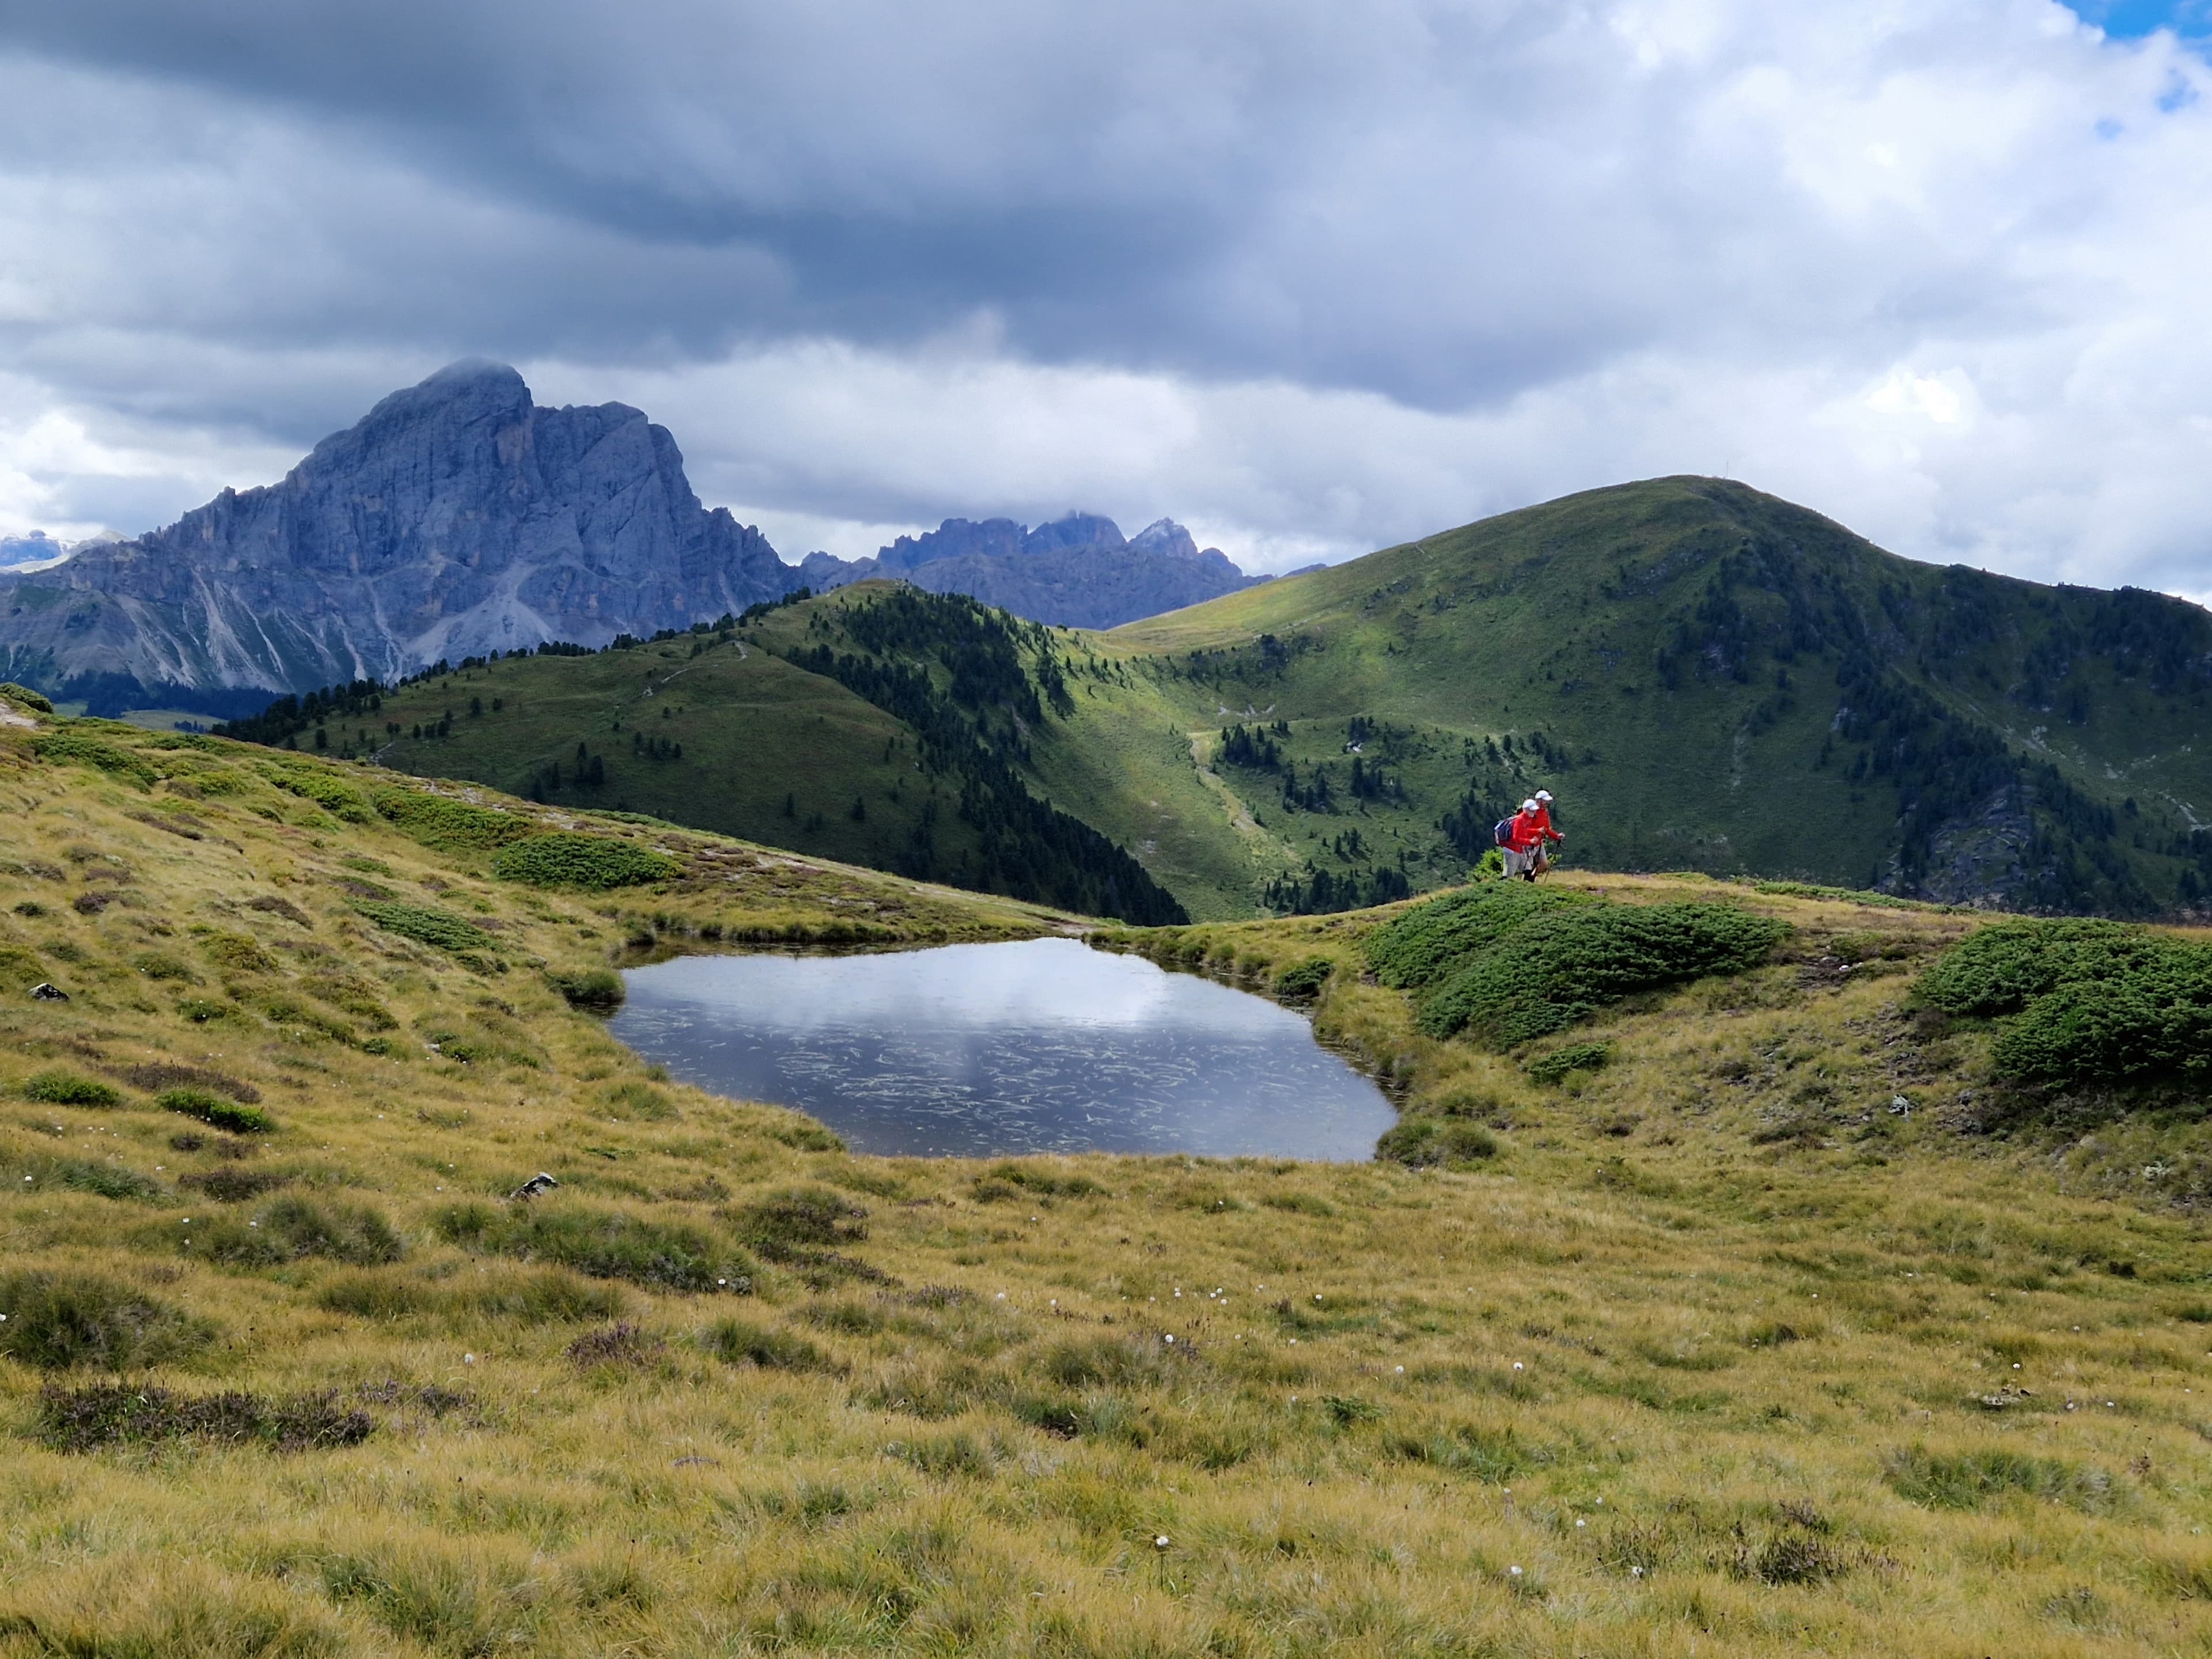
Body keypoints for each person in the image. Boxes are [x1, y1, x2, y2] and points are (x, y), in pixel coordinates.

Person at [1499, 798, 1543, 881]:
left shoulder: (1526, 819)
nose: (1534, 812)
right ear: (1526, 809)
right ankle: (1498, 890)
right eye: (1532, 810)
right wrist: (1530, 841)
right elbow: (1516, 838)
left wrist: (1537, 831)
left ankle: (1527, 890)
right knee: (1509, 876)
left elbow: (1525, 831)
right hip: (1512, 850)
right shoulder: (1519, 820)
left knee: (1528, 871)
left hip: (1519, 849)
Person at [1527, 789, 1563, 875]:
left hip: (1539, 843)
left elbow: (1547, 829)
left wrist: (1557, 836)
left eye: (1548, 801)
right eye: (1545, 801)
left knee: (1544, 865)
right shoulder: (1531, 811)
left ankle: (1530, 879)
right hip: (1529, 843)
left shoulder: (1545, 812)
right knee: (1528, 866)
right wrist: (1537, 831)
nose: (1547, 803)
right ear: (1539, 801)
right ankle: (1527, 882)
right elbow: (1524, 829)